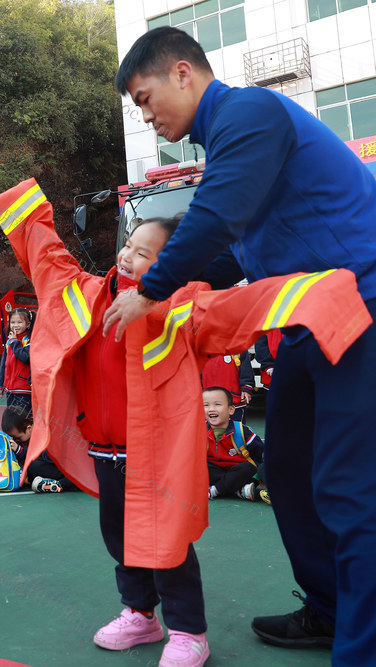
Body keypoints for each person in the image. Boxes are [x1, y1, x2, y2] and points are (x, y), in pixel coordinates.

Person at [0, 177, 369, 667]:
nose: (128, 257)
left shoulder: (181, 309)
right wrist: (20, 207)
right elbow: (48, 258)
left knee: (167, 543)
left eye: (145, 254)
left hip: (155, 460)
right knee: (121, 541)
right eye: (129, 245)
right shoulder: (85, 295)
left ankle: (189, 632)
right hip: (104, 451)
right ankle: (140, 613)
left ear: (170, 267)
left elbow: (244, 307)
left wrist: (321, 291)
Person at [105, 27, 376, 661]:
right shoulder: (232, 143)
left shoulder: (249, 110)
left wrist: (153, 290)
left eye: (145, 99)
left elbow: (219, 215)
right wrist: (161, 291)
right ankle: (331, 610)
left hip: (362, 309)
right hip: (311, 323)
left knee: (346, 485)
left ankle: (361, 647)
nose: (147, 118)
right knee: (286, 466)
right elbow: (230, 253)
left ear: (182, 73)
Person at [203, 387, 265, 503]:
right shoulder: (199, 433)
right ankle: (238, 491)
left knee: (249, 468)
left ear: (231, 410)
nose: (211, 409)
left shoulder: (242, 431)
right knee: (200, 467)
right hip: (217, 472)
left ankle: (215, 490)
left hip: (240, 472)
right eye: (206, 405)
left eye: (217, 404)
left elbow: (262, 454)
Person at [0, 405, 76, 493]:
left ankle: (58, 485)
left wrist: (20, 451)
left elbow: (48, 457)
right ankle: (50, 483)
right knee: (30, 467)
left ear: (29, 428)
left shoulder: (44, 432)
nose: (16, 441)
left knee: (33, 466)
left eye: (18, 438)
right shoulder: (27, 435)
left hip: (66, 468)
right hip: (57, 469)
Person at [200, 351, 253, 423]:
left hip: (234, 401)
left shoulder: (238, 348)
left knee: (237, 430)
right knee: (210, 431)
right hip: (209, 402)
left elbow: (246, 370)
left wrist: (246, 388)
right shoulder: (201, 350)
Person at [0, 308, 33, 413]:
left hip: (24, 389)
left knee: (24, 420)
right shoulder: (10, 341)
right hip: (10, 389)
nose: (15, 325)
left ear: (27, 324)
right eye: (12, 322)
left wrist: (14, 342)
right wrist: (0, 384)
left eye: (20, 322)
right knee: (13, 420)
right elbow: (4, 364)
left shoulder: (29, 339)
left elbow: (25, 357)